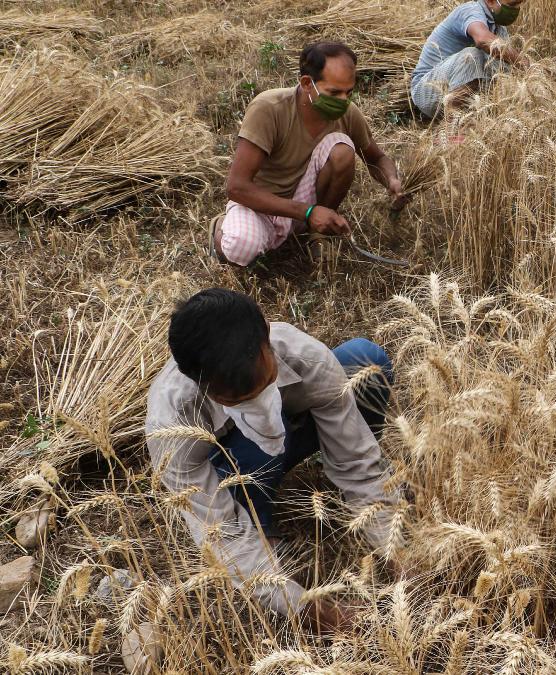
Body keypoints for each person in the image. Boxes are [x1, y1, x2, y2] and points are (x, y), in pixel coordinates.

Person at [146, 288, 401, 633]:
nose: (258, 404)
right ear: (197, 381)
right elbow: (224, 535)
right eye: (236, 400)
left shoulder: (306, 359)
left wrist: (396, 546)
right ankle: (257, 514)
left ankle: (334, 483)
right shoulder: (172, 422)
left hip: (297, 429)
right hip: (237, 466)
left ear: (266, 333)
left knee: (365, 361)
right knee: (249, 471)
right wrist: (304, 609)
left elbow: (359, 463)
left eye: (264, 383)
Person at [213, 42, 410, 266]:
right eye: (334, 92)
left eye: (349, 92)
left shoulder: (348, 113)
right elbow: (237, 187)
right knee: (242, 248)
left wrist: (391, 180)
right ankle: (221, 229)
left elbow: (376, 158)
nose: (343, 101)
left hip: (305, 204)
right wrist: (307, 212)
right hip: (262, 204)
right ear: (307, 83)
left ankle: (318, 234)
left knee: (342, 148)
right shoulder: (269, 109)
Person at [410, 0, 529, 120]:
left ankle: (469, 120)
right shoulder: (470, 11)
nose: (516, 10)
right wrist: (522, 61)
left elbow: (504, 69)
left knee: (501, 70)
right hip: (427, 90)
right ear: (491, 1)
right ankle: (454, 128)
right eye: (512, 5)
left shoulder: (499, 29)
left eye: (519, 4)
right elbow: (483, 40)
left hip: (450, 88)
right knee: (471, 56)